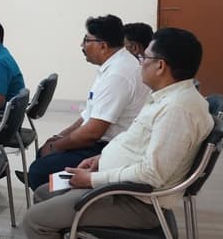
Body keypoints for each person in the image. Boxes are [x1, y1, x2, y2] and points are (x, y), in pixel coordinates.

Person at [23, 28, 214, 239]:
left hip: (136, 202)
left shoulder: (177, 110)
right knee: (43, 192)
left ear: (161, 66)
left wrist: (91, 180)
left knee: (35, 221)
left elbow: (151, 174)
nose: (140, 63)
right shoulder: (168, 97)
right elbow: (136, 144)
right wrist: (99, 160)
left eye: (144, 58)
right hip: (120, 187)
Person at [20, 15, 148, 190]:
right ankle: (49, 191)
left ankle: (63, 199)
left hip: (111, 147)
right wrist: (60, 137)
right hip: (104, 141)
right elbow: (88, 115)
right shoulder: (113, 65)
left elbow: (92, 133)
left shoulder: (118, 75)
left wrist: (56, 146)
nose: (82, 45)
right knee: (45, 153)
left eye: (87, 40)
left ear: (103, 46)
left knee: (40, 170)